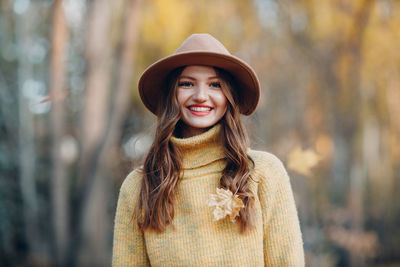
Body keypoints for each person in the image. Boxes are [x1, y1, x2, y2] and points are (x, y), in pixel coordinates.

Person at [112, 33, 304, 266]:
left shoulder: (263, 173)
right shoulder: (139, 186)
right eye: (187, 83)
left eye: (215, 84)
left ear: (229, 96)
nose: (201, 96)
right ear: (171, 94)